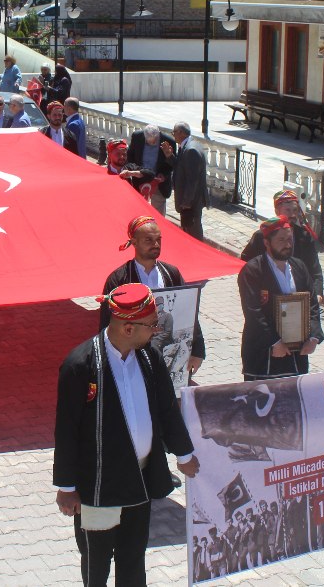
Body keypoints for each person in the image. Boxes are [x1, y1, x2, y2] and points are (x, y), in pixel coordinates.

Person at [53, 282, 199, 586]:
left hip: (139, 480)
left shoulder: (149, 358)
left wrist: (184, 454)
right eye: (151, 325)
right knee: (96, 564)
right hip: (99, 485)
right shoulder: (80, 365)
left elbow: (166, 410)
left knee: (133, 560)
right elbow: (66, 430)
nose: (156, 330)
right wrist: (67, 487)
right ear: (128, 329)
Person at [101, 216, 207, 376]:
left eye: (158, 240)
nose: (156, 245)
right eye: (148, 240)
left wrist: (198, 350)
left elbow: (188, 310)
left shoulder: (171, 274)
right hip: (132, 355)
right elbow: (106, 323)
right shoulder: (119, 279)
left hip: (165, 356)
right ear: (134, 242)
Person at [237, 217, 324, 381]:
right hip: (265, 351)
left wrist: (313, 337)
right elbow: (253, 313)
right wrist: (275, 342)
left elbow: (312, 304)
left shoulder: (299, 267)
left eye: (290, 239)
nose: (288, 244)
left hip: (297, 351)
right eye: (281, 240)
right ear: (267, 243)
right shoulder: (252, 271)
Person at [240, 190, 324, 298]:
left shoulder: (305, 237)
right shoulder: (261, 237)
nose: (292, 214)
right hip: (270, 297)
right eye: (287, 210)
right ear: (277, 211)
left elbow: (315, 270)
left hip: (299, 297)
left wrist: (317, 293)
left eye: (295, 210)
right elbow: (246, 264)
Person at [127, 125, 175, 214]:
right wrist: (137, 172)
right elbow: (130, 158)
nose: (152, 143)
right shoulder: (137, 137)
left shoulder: (169, 141)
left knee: (158, 214)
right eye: (149, 142)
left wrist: (163, 174)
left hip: (158, 183)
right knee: (138, 210)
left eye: (155, 141)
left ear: (158, 134)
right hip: (140, 180)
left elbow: (172, 165)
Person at [171, 122, 207, 240]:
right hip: (190, 200)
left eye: (174, 132)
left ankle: (197, 254)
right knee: (188, 229)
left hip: (191, 202)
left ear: (181, 133)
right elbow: (181, 168)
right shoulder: (189, 145)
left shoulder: (191, 150)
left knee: (193, 230)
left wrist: (187, 202)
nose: (173, 135)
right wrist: (169, 156)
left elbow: (192, 180)